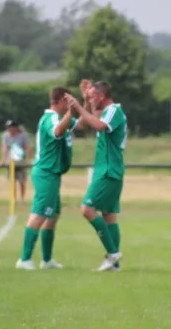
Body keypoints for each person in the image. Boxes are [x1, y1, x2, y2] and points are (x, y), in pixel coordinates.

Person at [16, 85, 90, 270]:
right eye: (69, 100)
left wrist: (86, 101)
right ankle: (24, 259)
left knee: (53, 215)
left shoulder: (61, 117)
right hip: (45, 173)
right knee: (40, 214)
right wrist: (71, 112)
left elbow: (81, 124)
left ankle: (47, 260)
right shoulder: (50, 118)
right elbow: (57, 131)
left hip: (53, 174)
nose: (71, 104)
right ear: (62, 100)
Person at [65, 81, 127, 271]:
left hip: (108, 170)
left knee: (87, 209)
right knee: (108, 215)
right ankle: (114, 263)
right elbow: (85, 124)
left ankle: (113, 253)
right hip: (106, 168)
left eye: (93, 96)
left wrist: (77, 107)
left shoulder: (115, 111)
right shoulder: (106, 111)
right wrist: (85, 101)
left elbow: (99, 125)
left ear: (102, 96)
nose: (91, 99)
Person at [0, 120, 32, 204]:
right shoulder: (6, 136)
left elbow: (27, 147)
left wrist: (30, 158)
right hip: (10, 161)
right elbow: (5, 148)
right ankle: (14, 199)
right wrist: (3, 160)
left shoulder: (23, 135)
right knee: (12, 182)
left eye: (11, 128)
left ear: (16, 128)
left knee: (22, 181)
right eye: (8, 128)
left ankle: (22, 198)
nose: (9, 130)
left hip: (20, 161)